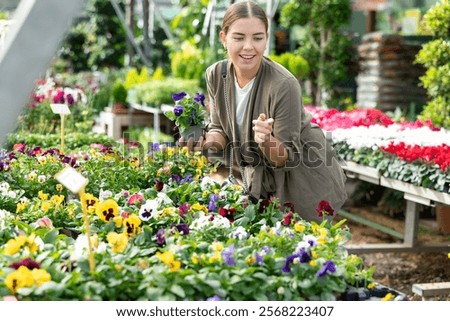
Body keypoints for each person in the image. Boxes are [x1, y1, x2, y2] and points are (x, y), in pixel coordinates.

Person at [183, 0, 347, 222]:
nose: (249, 47)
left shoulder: (283, 84)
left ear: (266, 38)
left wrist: (266, 140)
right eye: (239, 37)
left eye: (257, 38)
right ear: (224, 38)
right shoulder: (216, 75)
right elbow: (219, 128)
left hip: (301, 178)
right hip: (260, 178)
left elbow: (285, 158)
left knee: (303, 246)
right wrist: (204, 141)